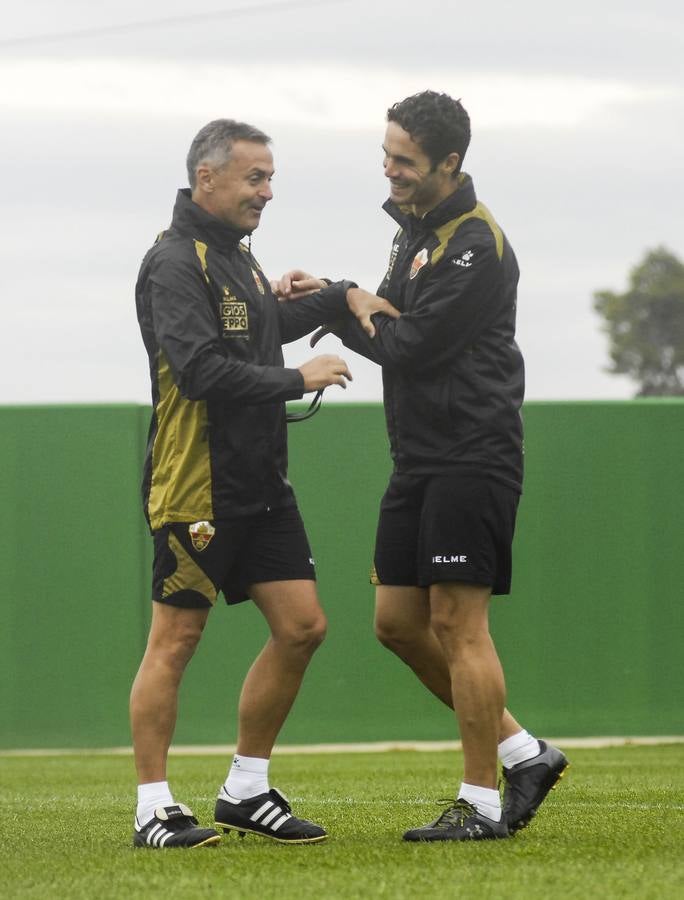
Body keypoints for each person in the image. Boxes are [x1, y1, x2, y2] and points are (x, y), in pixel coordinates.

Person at [276, 91, 568, 842]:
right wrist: (341, 295)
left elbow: (409, 344)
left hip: (474, 452)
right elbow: (385, 322)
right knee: (398, 623)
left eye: (403, 160)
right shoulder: (415, 235)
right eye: (387, 154)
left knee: (457, 622)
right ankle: (522, 753)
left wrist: (350, 302)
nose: (390, 169)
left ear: (449, 163)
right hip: (419, 455)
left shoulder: (474, 243)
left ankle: (480, 801)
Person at [131, 118, 395, 849]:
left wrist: (343, 296)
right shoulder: (175, 262)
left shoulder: (236, 258)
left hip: (261, 485)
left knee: (303, 627)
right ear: (206, 178)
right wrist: (297, 377)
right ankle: (152, 808)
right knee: (175, 641)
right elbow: (199, 369)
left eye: (270, 178)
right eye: (255, 178)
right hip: (194, 485)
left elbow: (264, 322)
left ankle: (246, 789)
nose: (267, 192)